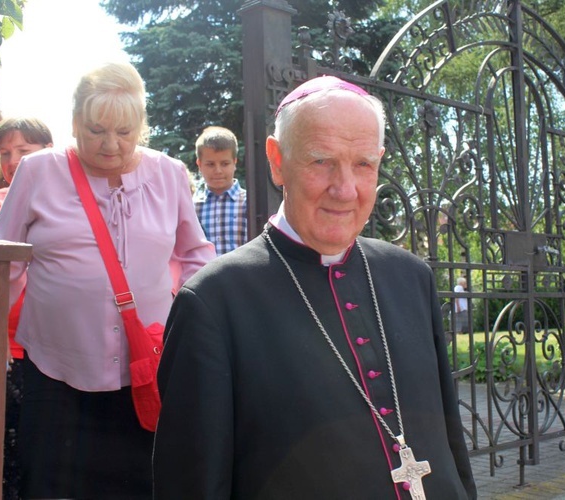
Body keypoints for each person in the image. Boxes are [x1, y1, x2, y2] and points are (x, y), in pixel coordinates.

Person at [153, 76, 477, 499]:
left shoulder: (411, 275)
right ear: (276, 160)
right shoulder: (213, 302)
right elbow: (192, 484)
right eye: (321, 160)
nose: (345, 189)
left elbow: (450, 439)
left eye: (363, 164)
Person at [0, 61, 216, 499]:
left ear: (141, 127)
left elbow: (195, 257)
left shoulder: (169, 174)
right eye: (96, 130)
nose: (111, 145)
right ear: (74, 122)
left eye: (125, 132)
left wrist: (196, 332)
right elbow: (6, 262)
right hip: (54, 372)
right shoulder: (38, 172)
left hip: (145, 375)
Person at [0, 117, 53, 500]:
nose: (13, 160)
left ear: (49, 153)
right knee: (9, 451)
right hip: (11, 348)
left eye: (24, 151)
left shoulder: (71, 202)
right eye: (5, 153)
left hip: (58, 346)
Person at [192, 125, 247, 255]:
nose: (218, 171)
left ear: (234, 163)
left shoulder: (249, 203)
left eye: (225, 164)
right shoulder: (192, 207)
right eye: (210, 164)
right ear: (199, 165)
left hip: (244, 274)